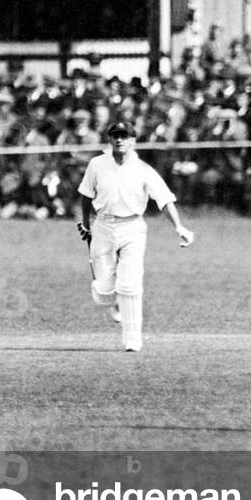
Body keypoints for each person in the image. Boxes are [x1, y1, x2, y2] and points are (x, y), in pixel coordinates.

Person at [77, 121, 195, 352]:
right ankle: (111, 298)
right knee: (104, 292)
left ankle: (133, 339)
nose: (120, 140)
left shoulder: (143, 169)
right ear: (110, 139)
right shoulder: (97, 165)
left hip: (132, 226)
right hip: (103, 225)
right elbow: (86, 195)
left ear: (133, 140)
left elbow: (165, 199)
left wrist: (179, 227)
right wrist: (85, 223)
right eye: (115, 136)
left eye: (125, 136)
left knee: (130, 285)